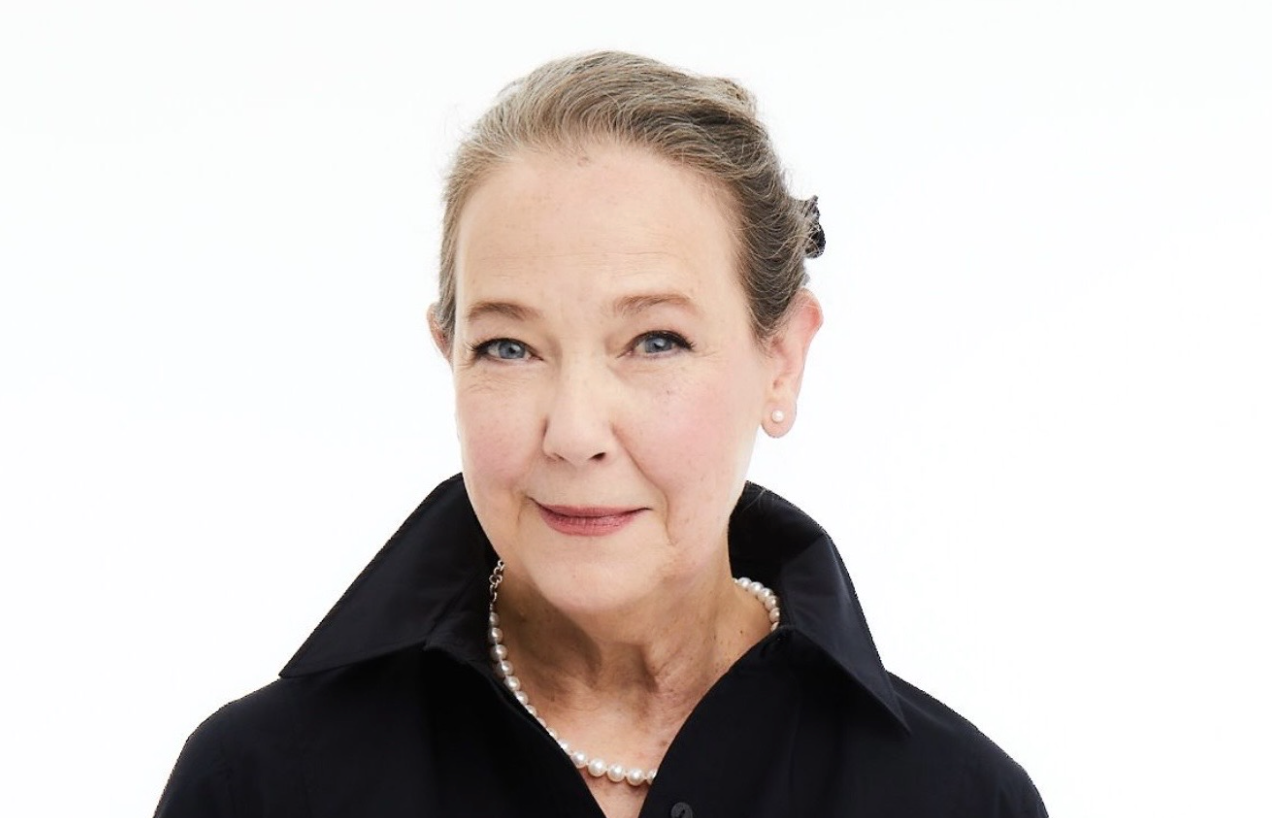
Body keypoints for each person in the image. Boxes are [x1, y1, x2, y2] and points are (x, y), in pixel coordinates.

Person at [154, 51, 1047, 818]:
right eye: (508, 348)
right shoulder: (260, 784)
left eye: (655, 341)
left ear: (780, 361)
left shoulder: (957, 799)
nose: (574, 433)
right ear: (448, 357)